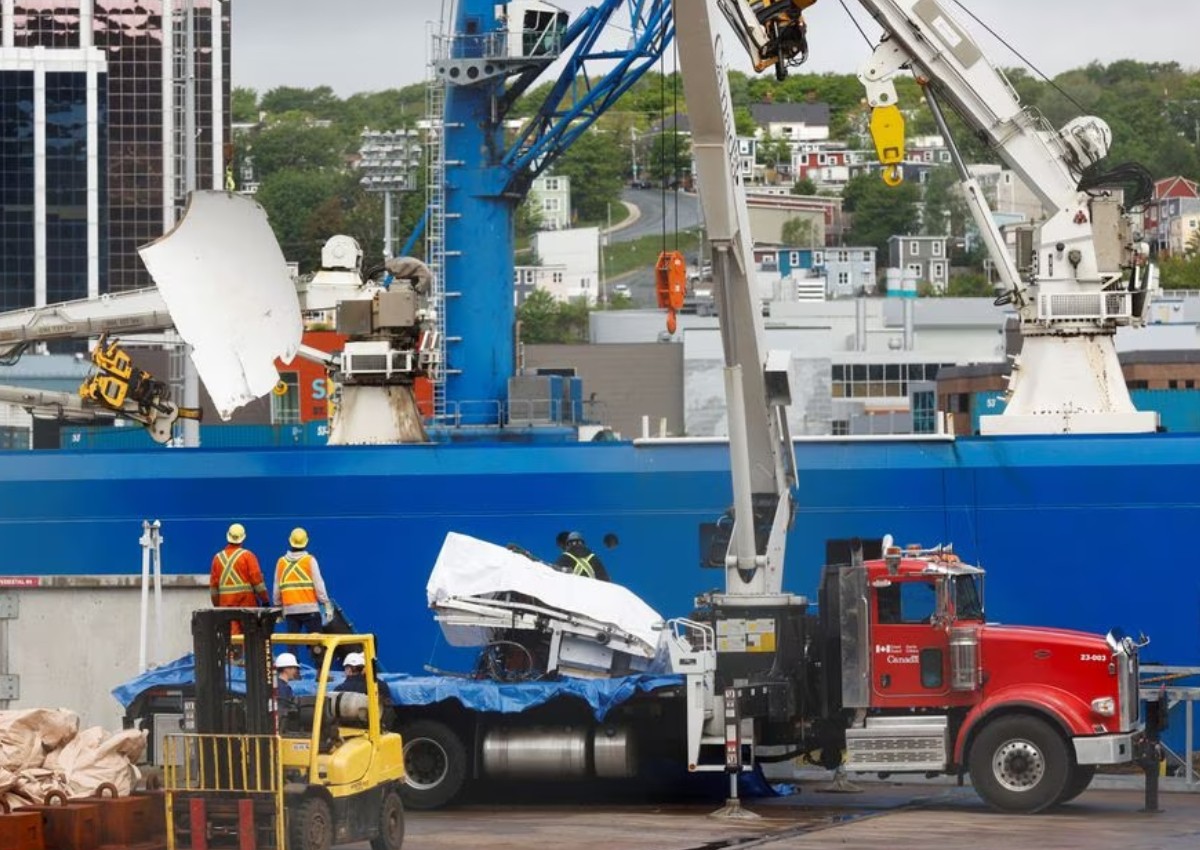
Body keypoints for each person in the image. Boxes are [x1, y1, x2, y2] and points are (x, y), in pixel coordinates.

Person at [209, 523, 269, 636]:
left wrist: (218, 606)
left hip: (226, 607)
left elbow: (214, 588)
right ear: (243, 538)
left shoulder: (217, 558)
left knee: (233, 641)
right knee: (251, 640)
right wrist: (265, 600)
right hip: (247, 606)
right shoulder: (248, 556)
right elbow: (257, 582)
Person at [273, 527, 332, 635]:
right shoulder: (310, 560)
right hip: (310, 610)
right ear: (305, 543)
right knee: (316, 647)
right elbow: (319, 584)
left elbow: (276, 588)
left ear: (290, 541)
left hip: (290, 611)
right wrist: (326, 603)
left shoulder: (281, 562)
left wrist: (277, 607)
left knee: (292, 646)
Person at [274, 652, 301, 720]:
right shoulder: (284, 688)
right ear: (286, 669)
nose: (295, 671)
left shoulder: (277, 685)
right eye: (294, 668)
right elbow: (283, 709)